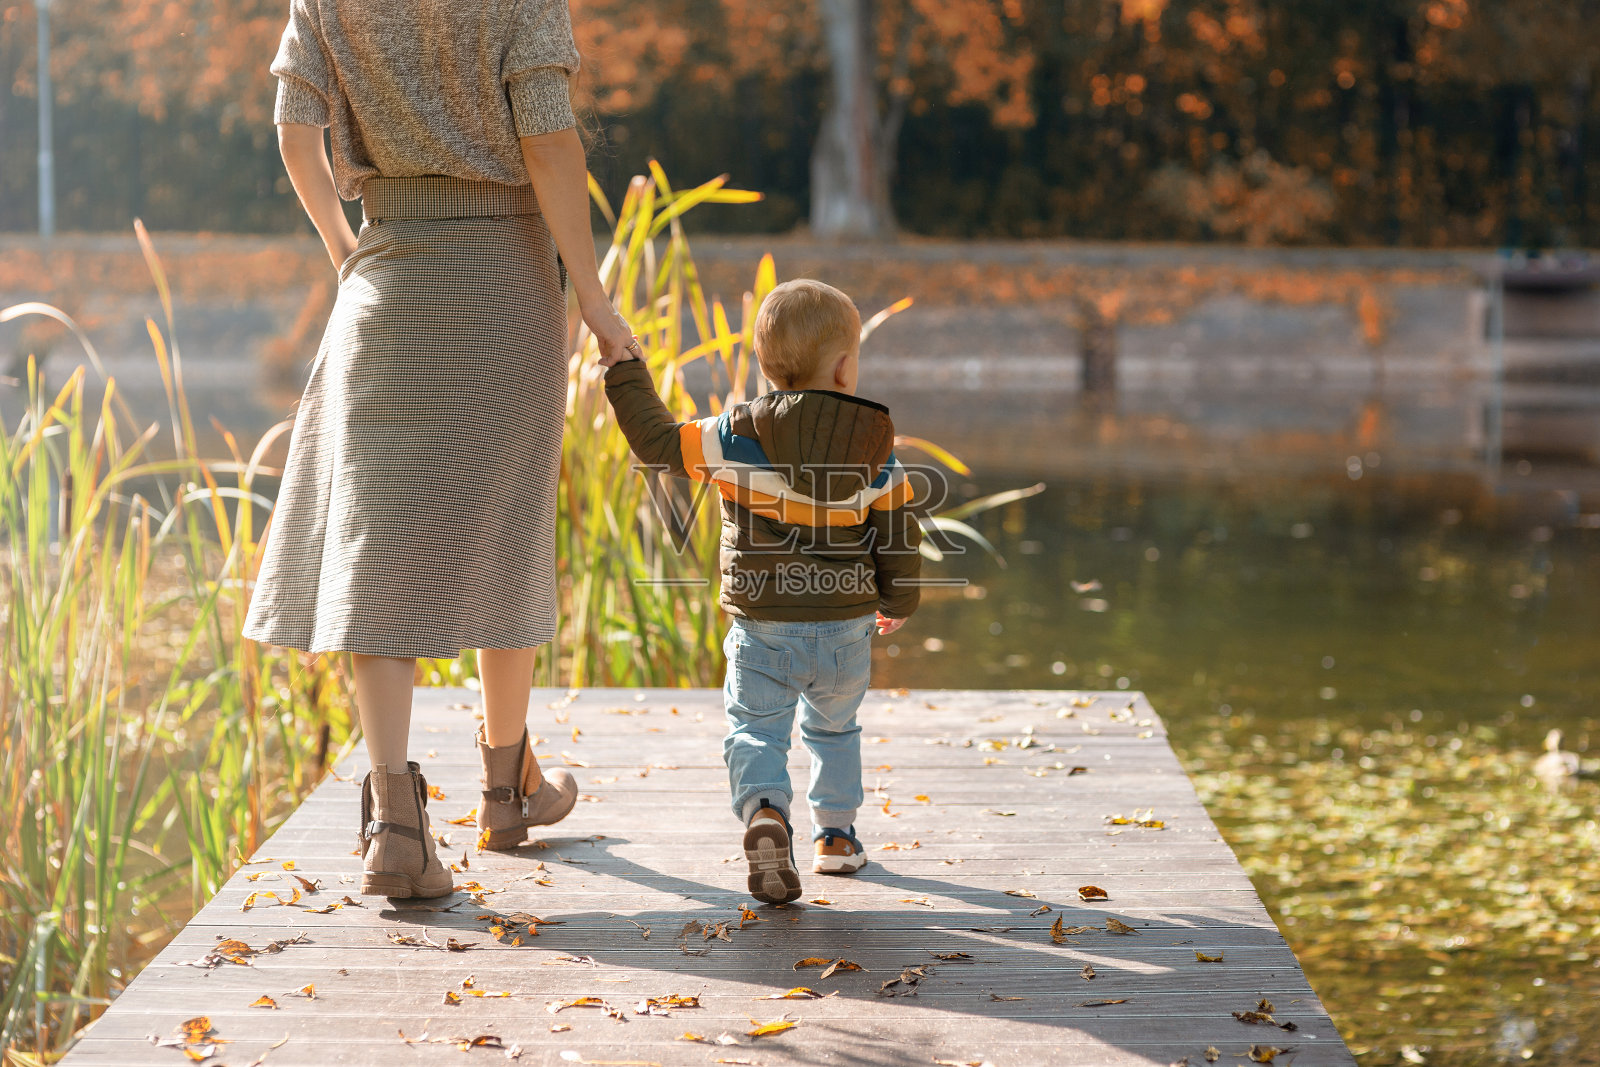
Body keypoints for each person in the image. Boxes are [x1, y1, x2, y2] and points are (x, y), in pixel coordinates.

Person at [245, 0, 638, 898]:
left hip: (387, 273)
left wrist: (347, 249)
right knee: (508, 525)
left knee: (375, 550)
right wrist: (593, 295)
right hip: (505, 275)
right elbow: (549, 144)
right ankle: (507, 791)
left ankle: (395, 825)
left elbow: (294, 127)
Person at [601, 279, 922, 904]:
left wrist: (625, 369)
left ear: (767, 366)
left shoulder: (732, 438)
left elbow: (657, 441)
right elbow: (897, 539)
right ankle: (836, 837)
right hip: (845, 628)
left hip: (763, 626)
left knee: (755, 730)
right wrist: (898, 602)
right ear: (845, 366)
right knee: (836, 729)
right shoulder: (877, 453)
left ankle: (767, 813)